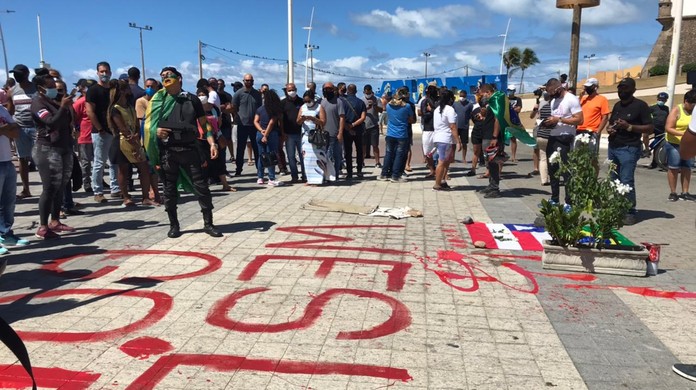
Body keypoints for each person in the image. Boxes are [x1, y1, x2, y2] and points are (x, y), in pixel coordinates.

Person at [146, 67, 222, 238]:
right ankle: (174, 225)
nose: (165, 78)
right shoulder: (158, 100)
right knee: (169, 191)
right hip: (168, 152)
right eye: (162, 76)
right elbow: (148, 126)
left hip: (190, 150)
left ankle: (208, 224)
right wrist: (156, 131)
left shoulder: (192, 99)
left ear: (179, 78)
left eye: (168, 75)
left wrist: (212, 143)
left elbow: (204, 124)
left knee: (202, 188)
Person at [30, 73, 75, 239]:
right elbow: (50, 122)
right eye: (49, 86)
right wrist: (63, 107)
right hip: (47, 150)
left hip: (63, 147)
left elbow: (68, 121)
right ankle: (42, 227)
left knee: (60, 186)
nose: (53, 89)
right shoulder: (37, 103)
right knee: (49, 188)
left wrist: (66, 106)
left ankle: (55, 221)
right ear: (41, 88)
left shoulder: (53, 101)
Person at [607, 77, 654, 225]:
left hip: (629, 148)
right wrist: (610, 129)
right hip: (613, 147)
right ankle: (617, 208)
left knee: (626, 180)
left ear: (633, 90)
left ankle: (629, 211)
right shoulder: (617, 106)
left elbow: (650, 127)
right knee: (614, 180)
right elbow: (610, 123)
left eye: (625, 88)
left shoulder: (641, 106)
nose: (622, 91)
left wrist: (629, 127)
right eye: (620, 88)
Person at [108, 79, 158, 207]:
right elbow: (122, 128)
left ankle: (145, 197)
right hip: (121, 142)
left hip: (134, 140)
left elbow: (136, 123)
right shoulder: (115, 109)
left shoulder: (130, 107)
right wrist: (132, 138)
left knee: (144, 168)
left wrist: (136, 135)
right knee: (123, 170)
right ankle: (126, 197)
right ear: (123, 91)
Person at [542, 78, 583, 207]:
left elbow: (580, 120)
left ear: (559, 88)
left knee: (566, 171)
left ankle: (568, 202)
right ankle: (554, 199)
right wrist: (547, 123)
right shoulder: (553, 100)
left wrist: (559, 119)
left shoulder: (571, 99)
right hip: (553, 136)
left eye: (552, 92)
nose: (550, 95)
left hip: (565, 138)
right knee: (552, 169)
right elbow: (555, 119)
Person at [86, 61, 121, 203]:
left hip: (114, 130)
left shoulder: (113, 91)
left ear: (111, 72)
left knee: (114, 161)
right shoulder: (93, 90)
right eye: (102, 71)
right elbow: (90, 111)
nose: (104, 74)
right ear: (97, 73)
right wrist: (99, 128)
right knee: (99, 162)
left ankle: (115, 188)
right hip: (100, 132)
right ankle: (98, 191)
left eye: (106, 71)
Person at [0, 99, 28, 250]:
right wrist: (6, 129)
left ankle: (6, 234)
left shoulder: (2, 109)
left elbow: (16, 131)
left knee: (8, 202)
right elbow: (9, 129)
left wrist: (5, 129)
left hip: (6, 160)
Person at [196, 89, 235, 192]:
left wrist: (217, 134)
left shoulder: (214, 108)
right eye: (199, 95)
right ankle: (204, 187)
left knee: (219, 162)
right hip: (200, 140)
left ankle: (225, 185)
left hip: (214, 137)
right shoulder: (195, 109)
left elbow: (219, 122)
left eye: (203, 94)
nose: (201, 96)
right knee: (203, 163)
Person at [7, 64, 37, 199]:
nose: (16, 76)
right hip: (20, 128)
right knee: (23, 159)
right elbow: (10, 111)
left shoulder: (36, 88)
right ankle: (26, 189)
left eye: (18, 73)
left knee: (40, 159)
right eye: (14, 73)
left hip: (37, 127)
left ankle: (48, 189)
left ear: (26, 73)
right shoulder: (12, 91)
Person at [664, 90, 696, 201]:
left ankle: (685, 192)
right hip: (674, 144)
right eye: (691, 104)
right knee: (674, 167)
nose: (692, 107)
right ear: (685, 101)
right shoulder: (676, 110)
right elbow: (668, 128)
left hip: (689, 145)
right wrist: (684, 134)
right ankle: (673, 192)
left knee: (687, 167)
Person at [378, 87, 415, 182]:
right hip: (401, 134)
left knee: (389, 154)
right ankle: (395, 175)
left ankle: (384, 174)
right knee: (399, 154)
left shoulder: (389, 106)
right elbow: (412, 120)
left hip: (390, 133)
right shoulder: (407, 107)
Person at [577, 77, 610, 174]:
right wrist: (580, 97)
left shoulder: (602, 99)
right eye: (586, 87)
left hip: (592, 132)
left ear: (595, 87)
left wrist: (598, 131)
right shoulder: (583, 99)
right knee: (578, 156)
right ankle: (581, 176)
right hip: (579, 131)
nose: (586, 89)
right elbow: (575, 110)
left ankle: (593, 179)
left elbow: (605, 117)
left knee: (592, 158)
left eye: (589, 87)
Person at [231, 73, 262, 176]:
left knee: (257, 148)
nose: (249, 82)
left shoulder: (257, 94)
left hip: (254, 126)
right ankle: (238, 169)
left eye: (251, 81)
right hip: (242, 125)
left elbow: (260, 109)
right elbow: (233, 107)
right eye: (247, 80)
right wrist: (236, 117)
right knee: (240, 148)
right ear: (243, 81)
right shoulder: (238, 93)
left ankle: (259, 169)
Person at [298, 90, 330, 185]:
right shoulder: (303, 107)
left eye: (308, 101)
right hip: (306, 137)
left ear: (313, 99)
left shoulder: (319, 107)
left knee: (317, 158)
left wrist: (313, 119)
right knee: (307, 159)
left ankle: (319, 179)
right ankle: (310, 179)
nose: (307, 103)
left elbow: (323, 122)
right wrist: (302, 119)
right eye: (305, 101)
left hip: (316, 137)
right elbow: (298, 121)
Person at [432, 90, 462, 191]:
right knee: (442, 161)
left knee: (446, 162)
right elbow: (452, 126)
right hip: (445, 139)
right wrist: (458, 141)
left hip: (439, 137)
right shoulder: (449, 110)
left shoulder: (437, 109)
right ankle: (437, 184)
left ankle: (443, 181)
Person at [254, 89, 284, 186]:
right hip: (271, 134)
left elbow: (255, 121)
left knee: (261, 155)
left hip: (260, 134)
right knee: (271, 155)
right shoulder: (275, 109)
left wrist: (261, 130)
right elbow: (272, 122)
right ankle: (271, 178)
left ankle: (260, 177)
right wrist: (266, 134)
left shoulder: (260, 109)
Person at [73, 79, 96, 193]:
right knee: (86, 162)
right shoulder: (80, 102)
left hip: (97, 135)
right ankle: (86, 183)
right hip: (84, 136)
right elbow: (74, 118)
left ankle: (98, 181)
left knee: (98, 161)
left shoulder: (97, 100)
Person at [320, 82, 345, 180]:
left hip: (335, 134)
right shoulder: (322, 102)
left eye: (329, 88)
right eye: (325, 88)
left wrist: (340, 132)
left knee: (337, 155)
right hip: (324, 135)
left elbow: (342, 118)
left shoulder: (338, 102)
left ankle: (336, 174)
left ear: (333, 89)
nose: (327, 90)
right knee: (326, 156)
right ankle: (327, 175)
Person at [342, 84, 367, 179]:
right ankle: (359, 170)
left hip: (346, 130)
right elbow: (363, 117)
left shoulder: (342, 102)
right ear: (356, 91)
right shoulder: (361, 102)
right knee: (359, 150)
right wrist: (354, 125)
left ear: (347, 91)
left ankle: (349, 172)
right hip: (358, 129)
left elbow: (341, 117)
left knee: (348, 152)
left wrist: (348, 127)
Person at [282, 83, 306, 183]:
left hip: (301, 133)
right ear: (286, 91)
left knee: (303, 156)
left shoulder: (302, 102)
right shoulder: (283, 103)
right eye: (289, 90)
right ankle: (294, 176)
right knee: (291, 156)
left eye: (293, 90)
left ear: (296, 90)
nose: (291, 92)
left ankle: (305, 175)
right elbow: (280, 119)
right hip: (289, 134)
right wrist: (283, 132)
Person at [530, 91, 552, 186]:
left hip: (541, 132)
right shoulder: (543, 104)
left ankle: (544, 179)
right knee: (546, 155)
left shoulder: (544, 106)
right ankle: (549, 176)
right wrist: (535, 109)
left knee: (543, 157)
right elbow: (532, 116)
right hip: (545, 132)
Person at [646, 92, 670, 168]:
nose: (661, 101)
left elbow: (667, 118)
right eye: (660, 99)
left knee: (658, 145)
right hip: (652, 126)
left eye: (663, 100)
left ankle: (654, 163)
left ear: (666, 100)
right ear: (657, 99)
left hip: (661, 129)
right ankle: (646, 149)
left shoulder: (666, 108)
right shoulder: (652, 107)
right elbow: (646, 115)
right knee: (645, 135)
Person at [362, 84, 382, 169]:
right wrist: (367, 108)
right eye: (367, 92)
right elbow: (359, 112)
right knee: (363, 145)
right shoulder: (361, 100)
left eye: (369, 92)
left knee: (375, 145)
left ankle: (377, 162)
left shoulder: (376, 99)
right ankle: (361, 162)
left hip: (374, 125)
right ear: (364, 92)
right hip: (364, 125)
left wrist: (374, 105)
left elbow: (381, 110)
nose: (368, 94)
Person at [420, 85, 438, 178]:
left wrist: (432, 110)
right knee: (427, 151)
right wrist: (430, 112)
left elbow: (441, 113)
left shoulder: (439, 102)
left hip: (438, 129)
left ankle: (441, 171)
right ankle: (432, 170)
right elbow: (424, 115)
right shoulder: (424, 101)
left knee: (440, 151)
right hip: (428, 129)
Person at [453, 90, 473, 171]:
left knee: (464, 143)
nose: (462, 97)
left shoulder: (470, 104)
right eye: (461, 96)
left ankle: (464, 158)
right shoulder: (455, 104)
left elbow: (470, 114)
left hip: (465, 126)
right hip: (456, 126)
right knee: (454, 143)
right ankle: (453, 157)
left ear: (466, 96)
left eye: (463, 96)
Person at [507, 85, 523, 162]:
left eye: (512, 90)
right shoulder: (505, 99)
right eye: (509, 90)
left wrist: (511, 109)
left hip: (514, 120)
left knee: (513, 139)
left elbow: (518, 109)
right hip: (506, 120)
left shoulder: (518, 99)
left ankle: (513, 156)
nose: (510, 92)